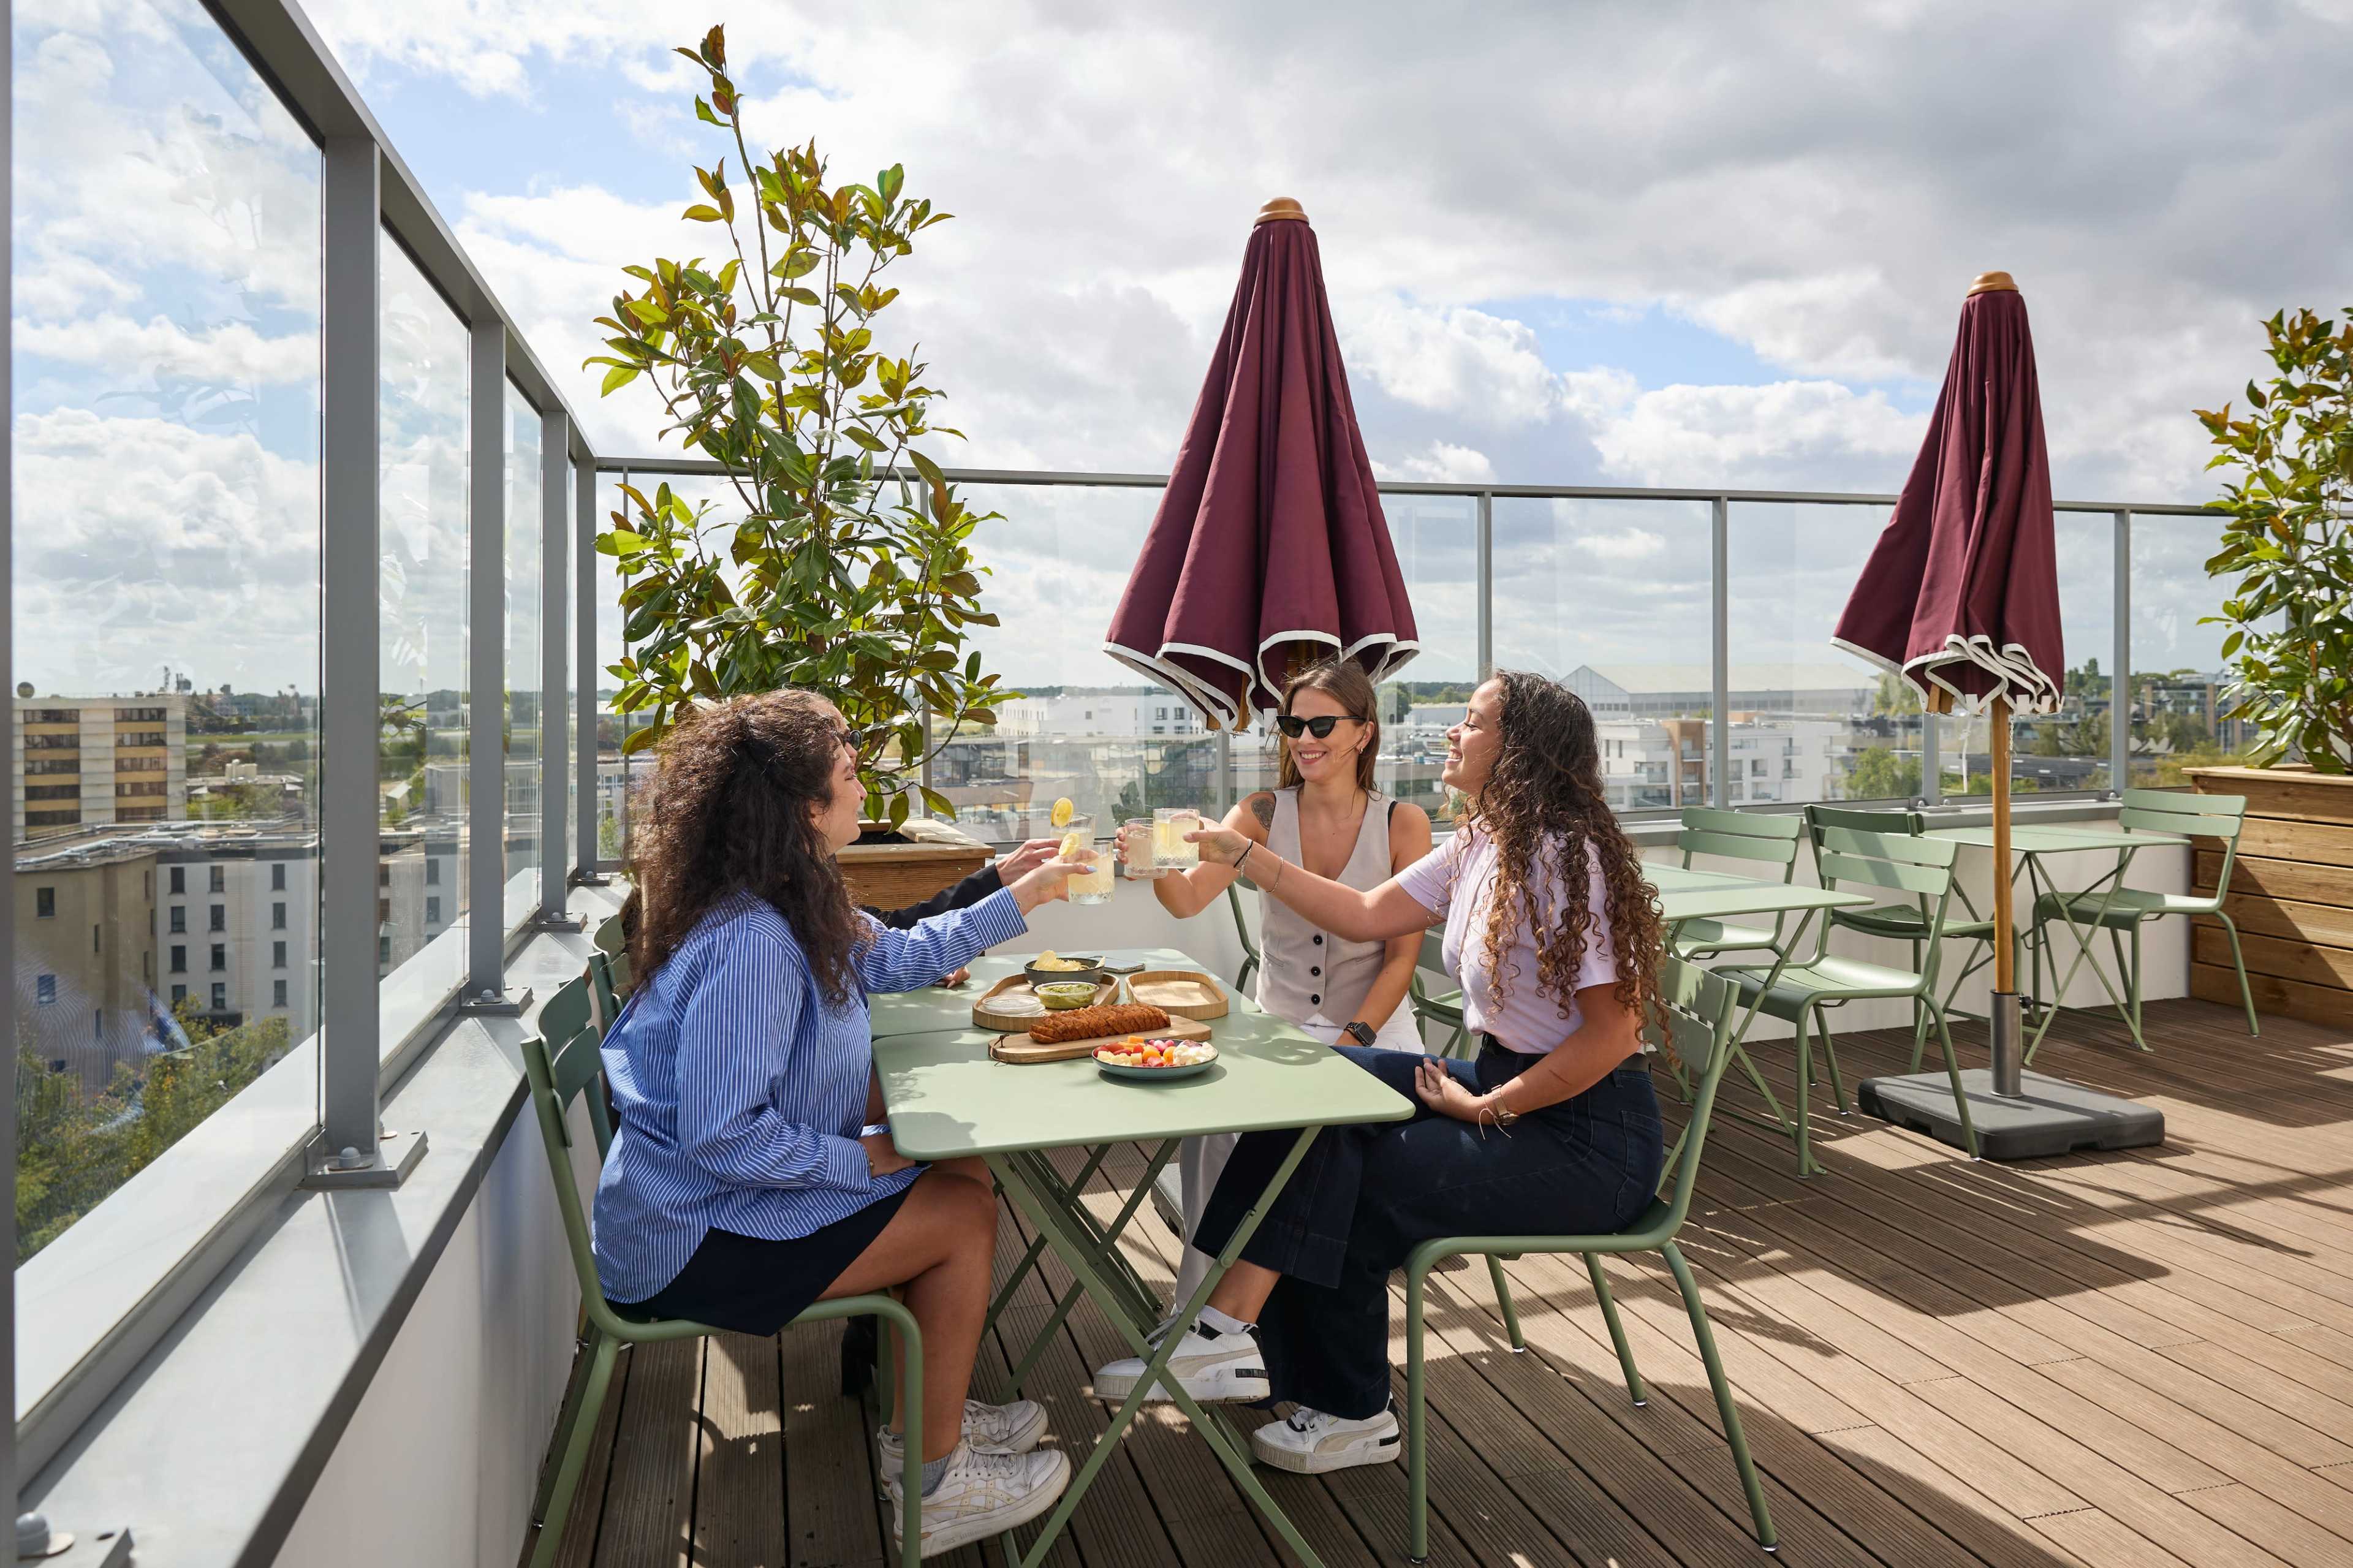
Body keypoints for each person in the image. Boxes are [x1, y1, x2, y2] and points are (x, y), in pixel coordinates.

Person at [1094, 672, 1669, 1477]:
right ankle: (1230, 1335)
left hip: (1586, 1137)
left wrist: (1489, 1105)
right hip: (1509, 1088)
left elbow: (1615, 1033)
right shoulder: (1481, 841)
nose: (1452, 734)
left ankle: (1322, 1391)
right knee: (1315, 1083)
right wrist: (1242, 853)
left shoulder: (1565, 858)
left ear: (1521, 749)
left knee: (1352, 1170)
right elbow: (1364, 912)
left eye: (1471, 723)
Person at [593, 690, 1080, 1555]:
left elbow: (901, 955)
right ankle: (935, 1486)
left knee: (963, 1175)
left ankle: (925, 1420)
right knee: (960, 1211)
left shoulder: (788, 894)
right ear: (805, 808)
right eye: (850, 777)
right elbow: (722, 1134)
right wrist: (871, 1154)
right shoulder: (755, 941)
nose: (865, 791)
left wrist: (1024, 890)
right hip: (693, 1236)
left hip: (703, 1200)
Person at [1119, 659, 1431, 1307]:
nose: (1304, 739)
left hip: (1374, 1029)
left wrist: (1353, 1041)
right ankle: (1200, 1312)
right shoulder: (1260, 811)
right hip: (1282, 1026)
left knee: (1319, 1143)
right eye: (1293, 723)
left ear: (1364, 734)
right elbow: (1187, 901)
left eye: (1322, 723)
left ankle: (1281, 1310)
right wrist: (1149, 864)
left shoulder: (1404, 824)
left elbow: (1401, 961)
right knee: (1211, 1130)